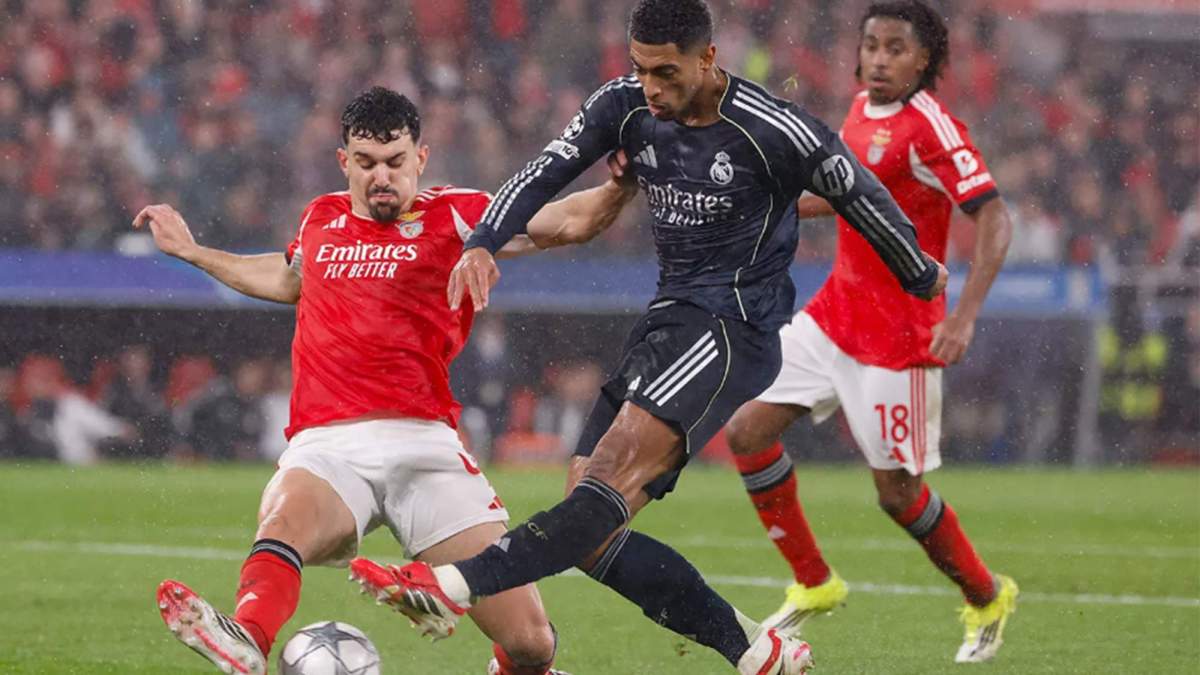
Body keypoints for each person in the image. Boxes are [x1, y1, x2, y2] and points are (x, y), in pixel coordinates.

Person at [349, 2, 947, 674]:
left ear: (708, 58)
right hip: (669, 320)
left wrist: (919, 273)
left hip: (732, 329)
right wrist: (484, 240)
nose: (651, 88)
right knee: (591, 530)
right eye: (640, 69)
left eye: (666, 73)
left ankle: (451, 585)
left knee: (601, 488)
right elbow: (544, 170)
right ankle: (758, 652)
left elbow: (859, 192)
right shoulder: (625, 104)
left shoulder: (772, 128)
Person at [139, 86, 636, 675]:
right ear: (344, 161)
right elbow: (288, 278)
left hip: (424, 442)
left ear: (420, 158)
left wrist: (622, 183)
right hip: (328, 443)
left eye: (396, 162)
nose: (382, 177)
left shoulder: (458, 214)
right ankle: (247, 635)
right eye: (367, 162)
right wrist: (193, 252)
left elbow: (569, 222)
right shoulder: (321, 217)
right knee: (283, 522)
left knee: (530, 642)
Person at [722, 0, 1018, 664]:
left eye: (895, 49)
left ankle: (986, 594)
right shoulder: (860, 108)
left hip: (899, 337)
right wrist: (766, 203)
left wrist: (964, 315)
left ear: (924, 59)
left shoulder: (932, 128)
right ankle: (814, 580)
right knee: (746, 431)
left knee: (897, 495)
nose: (880, 60)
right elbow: (847, 193)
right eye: (872, 46)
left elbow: (995, 217)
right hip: (835, 315)